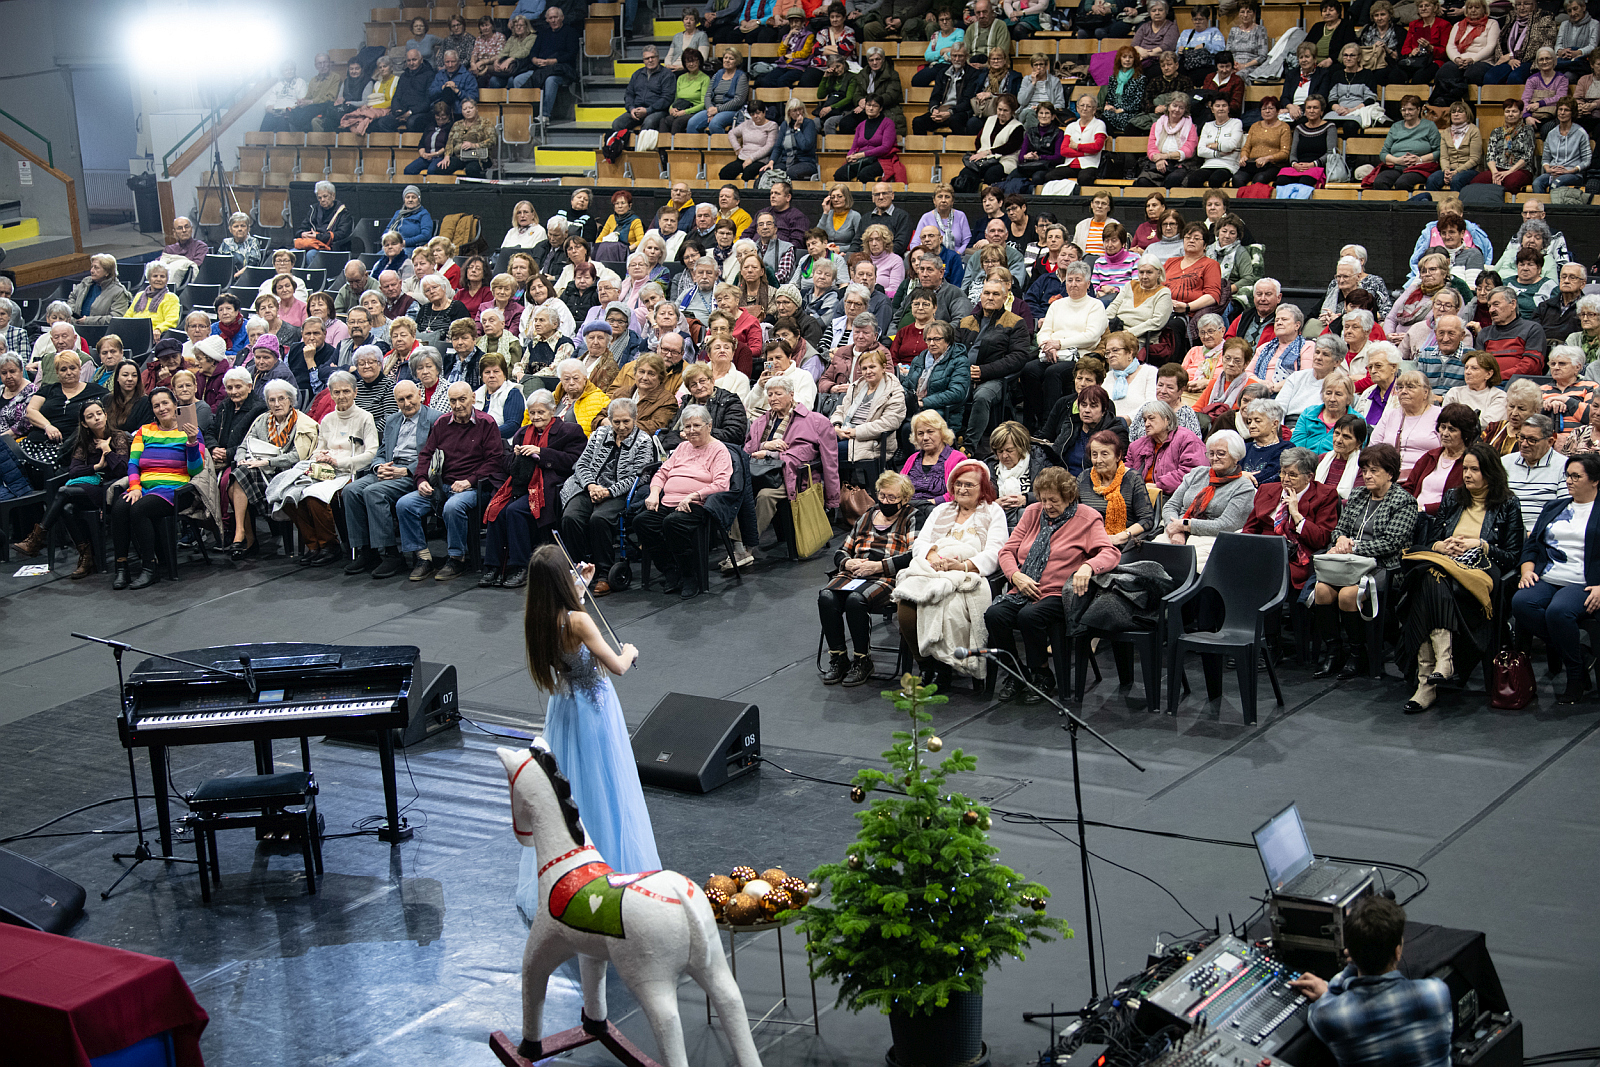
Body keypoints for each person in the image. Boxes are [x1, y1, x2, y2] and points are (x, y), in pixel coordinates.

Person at [513, 543, 657, 920]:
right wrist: (630, 649)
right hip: (595, 711)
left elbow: (569, 624)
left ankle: (571, 875)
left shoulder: (539, 617)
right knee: (606, 788)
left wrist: (581, 590)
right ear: (563, 579)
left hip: (565, 709)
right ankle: (612, 872)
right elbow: (617, 666)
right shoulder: (578, 621)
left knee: (574, 788)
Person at [1397, 442, 1525, 713]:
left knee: (1426, 580)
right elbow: (1435, 540)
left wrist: (1480, 544)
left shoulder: (1508, 503)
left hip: (1480, 567)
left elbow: (1513, 555)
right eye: (1465, 469)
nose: (1467, 474)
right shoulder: (1453, 497)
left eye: (1474, 470)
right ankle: (1439, 669)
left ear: (1490, 472)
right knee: (1430, 577)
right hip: (1447, 563)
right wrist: (1443, 546)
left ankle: (1427, 683)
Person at [984, 465, 1120, 702]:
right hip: (1023, 587)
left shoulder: (1087, 517)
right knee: (995, 614)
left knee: (1029, 616)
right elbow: (1007, 551)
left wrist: (1087, 567)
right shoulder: (1033, 512)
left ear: (1069, 496)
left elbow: (1110, 553)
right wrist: (1015, 575)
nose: (1047, 506)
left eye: (1054, 500)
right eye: (1044, 500)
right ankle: (1015, 673)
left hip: (1060, 592)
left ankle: (1042, 674)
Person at [1288, 896, 1453, 1067]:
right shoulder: (1436, 992)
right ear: (1397, 952)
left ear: (1350, 954)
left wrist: (1335, 984)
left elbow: (1331, 995)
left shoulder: (1330, 1016)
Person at [892, 459, 1008, 690]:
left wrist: (963, 566)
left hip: (968, 574)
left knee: (949, 606)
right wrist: (933, 556)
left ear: (983, 487)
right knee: (907, 601)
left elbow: (996, 552)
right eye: (958, 484)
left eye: (969, 485)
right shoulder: (941, 510)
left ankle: (945, 665)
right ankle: (926, 665)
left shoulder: (993, 512)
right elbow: (921, 544)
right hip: (933, 568)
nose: (962, 489)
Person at [1309, 443, 1418, 678]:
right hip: (1348, 562)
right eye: (1365, 470)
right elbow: (1339, 529)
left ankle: (1359, 655)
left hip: (1384, 565)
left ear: (1390, 473)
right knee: (1322, 591)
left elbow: (1392, 543)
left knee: (1349, 594)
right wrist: (1340, 543)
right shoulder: (1358, 495)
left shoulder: (1404, 501)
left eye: (1374, 471)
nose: (1367, 475)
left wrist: (1355, 546)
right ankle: (1334, 651)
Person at [819, 470, 918, 685]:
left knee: (856, 599)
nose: (885, 501)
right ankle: (838, 658)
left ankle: (862, 660)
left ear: (904, 499)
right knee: (826, 596)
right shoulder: (867, 515)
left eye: (892, 498)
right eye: (882, 495)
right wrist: (848, 562)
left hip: (886, 576)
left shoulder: (911, 517)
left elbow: (913, 556)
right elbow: (841, 551)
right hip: (854, 573)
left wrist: (878, 566)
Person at [481, 393, 586, 588]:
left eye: (541, 412)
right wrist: (516, 456)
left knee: (514, 510)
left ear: (552, 411)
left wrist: (541, 453)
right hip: (521, 484)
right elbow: (507, 464)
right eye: (532, 413)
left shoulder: (569, 431)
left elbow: (574, 462)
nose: (536, 417)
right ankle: (493, 566)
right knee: (496, 510)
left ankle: (520, 566)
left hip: (549, 487)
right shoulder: (522, 433)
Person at [106, 386, 203, 590]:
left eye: (165, 403)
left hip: (175, 489)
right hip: (145, 487)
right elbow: (133, 464)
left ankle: (150, 568)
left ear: (175, 405)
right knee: (119, 507)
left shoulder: (190, 430)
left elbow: (195, 470)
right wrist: (134, 487)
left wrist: (192, 442)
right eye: (156, 405)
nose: (161, 408)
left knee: (139, 509)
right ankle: (121, 567)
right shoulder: (145, 430)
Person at [560, 399, 655, 592]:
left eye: (626, 421)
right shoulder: (599, 434)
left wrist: (608, 491)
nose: (621, 427)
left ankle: (604, 573)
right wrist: (591, 485)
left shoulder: (644, 441)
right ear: (609, 420)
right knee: (570, 517)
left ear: (635, 419)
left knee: (599, 519)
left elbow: (640, 477)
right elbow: (581, 464)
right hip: (588, 488)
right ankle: (579, 569)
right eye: (616, 421)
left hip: (619, 492)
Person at [1242, 446, 1340, 601]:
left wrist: (1296, 514)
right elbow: (1250, 529)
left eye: (1293, 475)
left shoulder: (1325, 496)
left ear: (1309, 477)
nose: (1285, 479)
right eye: (1283, 472)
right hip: (1262, 552)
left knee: (1269, 574)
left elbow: (1321, 538)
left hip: (1294, 557)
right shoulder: (1266, 490)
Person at [1157, 429, 1254, 565]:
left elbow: (1227, 525)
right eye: (1211, 453)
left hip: (1212, 539)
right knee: (1151, 559)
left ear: (1236, 456)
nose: (1214, 458)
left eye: (1221, 454)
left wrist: (1186, 525)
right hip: (1175, 530)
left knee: (1185, 565)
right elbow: (1171, 506)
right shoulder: (1197, 473)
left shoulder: (1244, 487)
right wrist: (1176, 532)